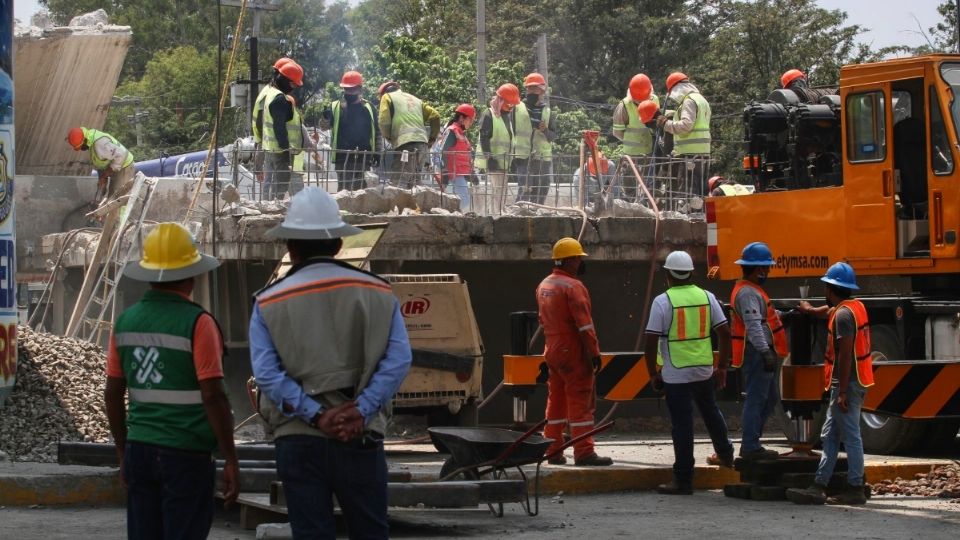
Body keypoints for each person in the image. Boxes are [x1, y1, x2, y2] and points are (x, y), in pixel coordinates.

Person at [250, 187, 412, 538]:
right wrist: (361, 410)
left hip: (299, 439)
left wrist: (316, 415)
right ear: (339, 244)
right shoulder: (380, 292)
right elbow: (399, 359)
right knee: (370, 530)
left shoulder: (267, 302)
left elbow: (266, 374)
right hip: (360, 436)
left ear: (290, 246)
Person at [104, 222, 239, 539]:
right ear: (192, 273)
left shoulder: (124, 322)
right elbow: (213, 397)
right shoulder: (199, 323)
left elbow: (112, 395)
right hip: (186, 456)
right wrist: (230, 458)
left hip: (140, 451)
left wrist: (124, 453)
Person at [644, 250, 734, 494]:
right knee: (711, 413)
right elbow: (725, 333)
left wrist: (652, 373)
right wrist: (722, 366)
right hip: (704, 370)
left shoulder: (662, 302)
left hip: (675, 374)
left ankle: (683, 480)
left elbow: (651, 341)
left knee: (682, 425)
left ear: (668, 275)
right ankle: (726, 455)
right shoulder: (707, 296)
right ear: (691, 273)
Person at [787, 262, 873, 506]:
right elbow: (830, 311)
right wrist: (811, 310)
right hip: (855, 380)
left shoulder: (844, 316)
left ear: (830, 288)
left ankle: (855, 486)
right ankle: (820, 484)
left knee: (850, 435)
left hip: (847, 383)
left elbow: (845, 355)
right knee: (831, 434)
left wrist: (842, 391)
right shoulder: (854, 307)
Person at [536, 237, 613, 467]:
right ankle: (584, 451)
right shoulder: (574, 287)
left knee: (556, 401)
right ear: (569, 260)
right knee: (580, 402)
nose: (580, 262)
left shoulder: (544, 285)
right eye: (578, 258)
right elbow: (584, 325)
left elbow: (543, 320)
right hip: (573, 351)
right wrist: (594, 353)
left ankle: (552, 450)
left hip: (552, 349)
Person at [727, 241, 788, 461]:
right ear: (758, 268)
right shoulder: (747, 293)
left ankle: (753, 442)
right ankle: (750, 445)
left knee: (769, 398)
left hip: (757, 351)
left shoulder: (751, 291)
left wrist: (784, 315)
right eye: (766, 267)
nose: (768, 271)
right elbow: (753, 325)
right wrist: (764, 352)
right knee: (757, 398)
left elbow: (762, 319)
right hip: (755, 352)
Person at [321, 71, 381, 192]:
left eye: (352, 90)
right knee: (344, 190)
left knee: (360, 191)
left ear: (360, 89)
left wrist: (377, 153)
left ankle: (360, 211)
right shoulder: (336, 106)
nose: (349, 93)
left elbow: (377, 133)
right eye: (346, 90)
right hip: (342, 157)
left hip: (363, 157)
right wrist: (325, 117)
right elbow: (323, 127)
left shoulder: (368, 108)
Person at [657, 72, 712, 197]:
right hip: (703, 154)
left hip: (689, 156)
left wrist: (666, 123)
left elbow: (686, 126)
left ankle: (688, 215)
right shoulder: (702, 101)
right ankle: (699, 215)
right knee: (700, 194)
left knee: (687, 195)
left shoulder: (689, 101)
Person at [255, 61, 305, 199]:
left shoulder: (268, 93)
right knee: (280, 184)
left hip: (270, 148)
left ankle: (272, 206)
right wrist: (285, 148)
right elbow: (279, 127)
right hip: (279, 150)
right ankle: (275, 209)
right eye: (292, 84)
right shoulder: (279, 99)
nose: (293, 87)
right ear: (284, 80)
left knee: (272, 183)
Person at [378, 81, 441, 188]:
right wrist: (432, 139)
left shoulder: (387, 97)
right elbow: (435, 116)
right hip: (423, 146)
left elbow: (383, 121)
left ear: (383, 93)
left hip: (406, 146)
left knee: (398, 185)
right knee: (414, 185)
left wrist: (389, 137)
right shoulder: (416, 100)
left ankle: (398, 205)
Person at [612, 74, 660, 199]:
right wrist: (630, 140)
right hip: (630, 156)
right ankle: (631, 213)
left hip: (649, 153)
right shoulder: (624, 105)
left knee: (649, 190)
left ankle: (649, 212)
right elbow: (617, 132)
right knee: (630, 191)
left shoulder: (654, 100)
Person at [476, 83, 521, 215]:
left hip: (504, 161)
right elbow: (484, 137)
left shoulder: (505, 116)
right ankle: (496, 214)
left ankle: (500, 210)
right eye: (509, 104)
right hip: (493, 160)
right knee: (497, 189)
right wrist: (489, 157)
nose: (511, 107)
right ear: (502, 101)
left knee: (502, 189)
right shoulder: (489, 114)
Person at [514, 72, 556, 204]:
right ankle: (520, 212)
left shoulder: (548, 112)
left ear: (542, 90)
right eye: (529, 88)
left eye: (534, 88)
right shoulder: (517, 108)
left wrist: (545, 130)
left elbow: (553, 136)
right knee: (525, 187)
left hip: (542, 157)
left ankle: (537, 212)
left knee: (542, 188)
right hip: (524, 156)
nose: (531, 91)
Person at [252, 57, 294, 185]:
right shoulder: (272, 95)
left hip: (266, 142)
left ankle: (269, 203)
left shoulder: (268, 91)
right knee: (272, 182)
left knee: (270, 182)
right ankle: (270, 203)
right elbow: (263, 124)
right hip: (269, 143)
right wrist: (258, 164)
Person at [66, 126, 135, 202]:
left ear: (85, 140)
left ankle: (120, 214)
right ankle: (103, 208)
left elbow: (121, 155)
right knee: (111, 198)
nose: (81, 149)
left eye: (81, 146)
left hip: (124, 166)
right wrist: (102, 180)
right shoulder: (91, 141)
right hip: (116, 166)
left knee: (116, 200)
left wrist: (105, 174)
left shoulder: (99, 143)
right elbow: (101, 162)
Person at [439, 103, 478, 212]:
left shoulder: (461, 133)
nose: (471, 123)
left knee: (463, 200)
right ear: (461, 118)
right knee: (464, 200)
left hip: (459, 173)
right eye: (470, 120)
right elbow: (441, 152)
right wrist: (445, 172)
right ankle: (458, 219)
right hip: (454, 173)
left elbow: (465, 156)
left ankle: (457, 216)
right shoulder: (452, 131)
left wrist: (471, 173)